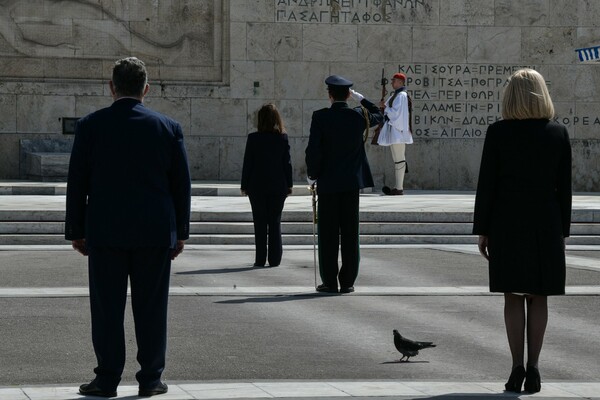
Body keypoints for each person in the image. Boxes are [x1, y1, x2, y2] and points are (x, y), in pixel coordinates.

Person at [65, 57, 191, 398]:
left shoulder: (91, 125)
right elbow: (181, 184)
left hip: (105, 231)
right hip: (153, 232)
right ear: (146, 89)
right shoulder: (168, 127)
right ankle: (151, 378)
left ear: (111, 87)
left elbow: (77, 182)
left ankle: (107, 379)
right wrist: (180, 232)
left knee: (107, 308)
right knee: (152, 308)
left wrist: (76, 229)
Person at [473, 68, 572, 394]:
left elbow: (487, 184)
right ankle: (534, 369)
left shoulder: (499, 132)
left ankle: (516, 368)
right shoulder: (557, 133)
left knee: (513, 295)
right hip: (545, 222)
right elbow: (565, 189)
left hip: (507, 221)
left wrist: (484, 229)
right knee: (538, 295)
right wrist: (562, 232)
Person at [305, 75, 383, 293]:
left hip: (328, 183)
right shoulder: (358, 116)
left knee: (328, 233)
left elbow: (314, 150)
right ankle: (347, 281)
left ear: (329, 95)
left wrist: (312, 175)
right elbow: (380, 115)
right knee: (350, 233)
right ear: (348, 95)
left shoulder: (320, 117)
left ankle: (329, 281)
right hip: (351, 184)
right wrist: (362, 99)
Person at [241, 103, 293, 267]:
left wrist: (244, 184)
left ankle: (260, 259)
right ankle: (275, 259)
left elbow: (248, 163)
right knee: (275, 222)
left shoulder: (253, 138)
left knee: (260, 222)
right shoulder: (282, 138)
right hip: (278, 186)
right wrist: (289, 184)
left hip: (257, 186)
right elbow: (287, 164)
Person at [377, 72, 413, 195]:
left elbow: (396, 113)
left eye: (394, 81)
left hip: (398, 132)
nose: (392, 83)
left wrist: (385, 108)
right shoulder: (397, 95)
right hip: (395, 132)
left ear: (400, 82)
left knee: (399, 160)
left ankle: (399, 188)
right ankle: (398, 187)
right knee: (397, 159)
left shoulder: (401, 95)